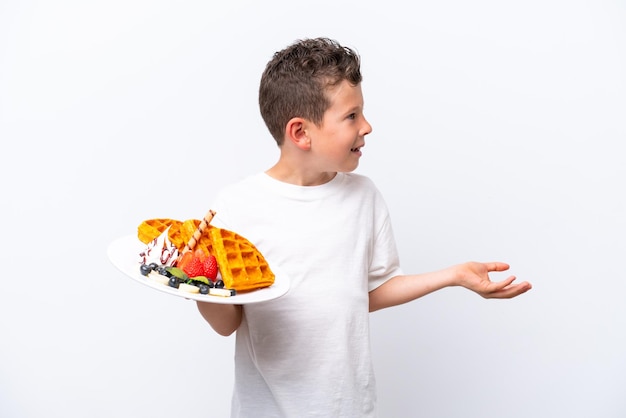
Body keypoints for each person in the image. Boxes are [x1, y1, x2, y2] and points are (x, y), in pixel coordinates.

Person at [196, 37, 532, 417]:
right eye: (351, 116)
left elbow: (365, 292)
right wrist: (200, 284)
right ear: (301, 133)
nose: (367, 126)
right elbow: (227, 324)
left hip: (349, 407)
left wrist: (453, 275)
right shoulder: (238, 207)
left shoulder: (363, 197)